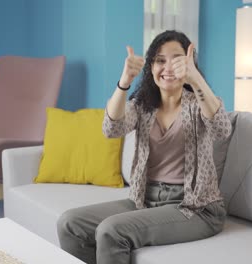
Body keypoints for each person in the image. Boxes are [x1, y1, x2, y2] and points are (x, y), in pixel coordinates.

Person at [57, 30, 232, 264]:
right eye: (160, 60)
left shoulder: (200, 102)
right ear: (150, 67)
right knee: (70, 223)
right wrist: (124, 83)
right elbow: (111, 129)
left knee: (111, 230)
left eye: (177, 59)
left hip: (194, 207)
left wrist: (196, 80)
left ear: (190, 63)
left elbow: (222, 129)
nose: (167, 67)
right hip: (144, 199)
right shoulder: (142, 106)